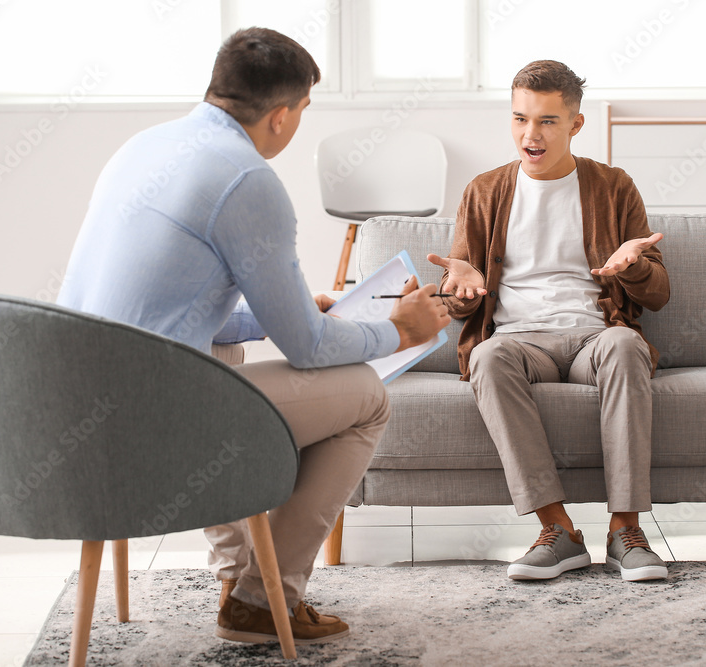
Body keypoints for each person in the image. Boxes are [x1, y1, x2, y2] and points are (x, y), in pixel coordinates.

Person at [57, 28, 449, 645]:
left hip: (72, 410)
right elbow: (311, 350)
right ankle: (267, 597)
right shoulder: (247, 180)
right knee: (366, 398)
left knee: (227, 346)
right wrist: (398, 331)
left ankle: (239, 577)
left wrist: (277, 313)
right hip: (148, 430)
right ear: (281, 116)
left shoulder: (144, 145)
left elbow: (168, 310)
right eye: (303, 114)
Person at [427, 60, 669, 582]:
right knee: (487, 358)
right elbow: (462, 301)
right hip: (518, 342)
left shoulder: (613, 186)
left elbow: (658, 296)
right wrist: (461, 290)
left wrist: (635, 266)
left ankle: (625, 531)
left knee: (626, 345)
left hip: (593, 338)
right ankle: (557, 531)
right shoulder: (484, 192)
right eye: (519, 119)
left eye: (546, 122)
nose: (529, 135)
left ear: (575, 125)